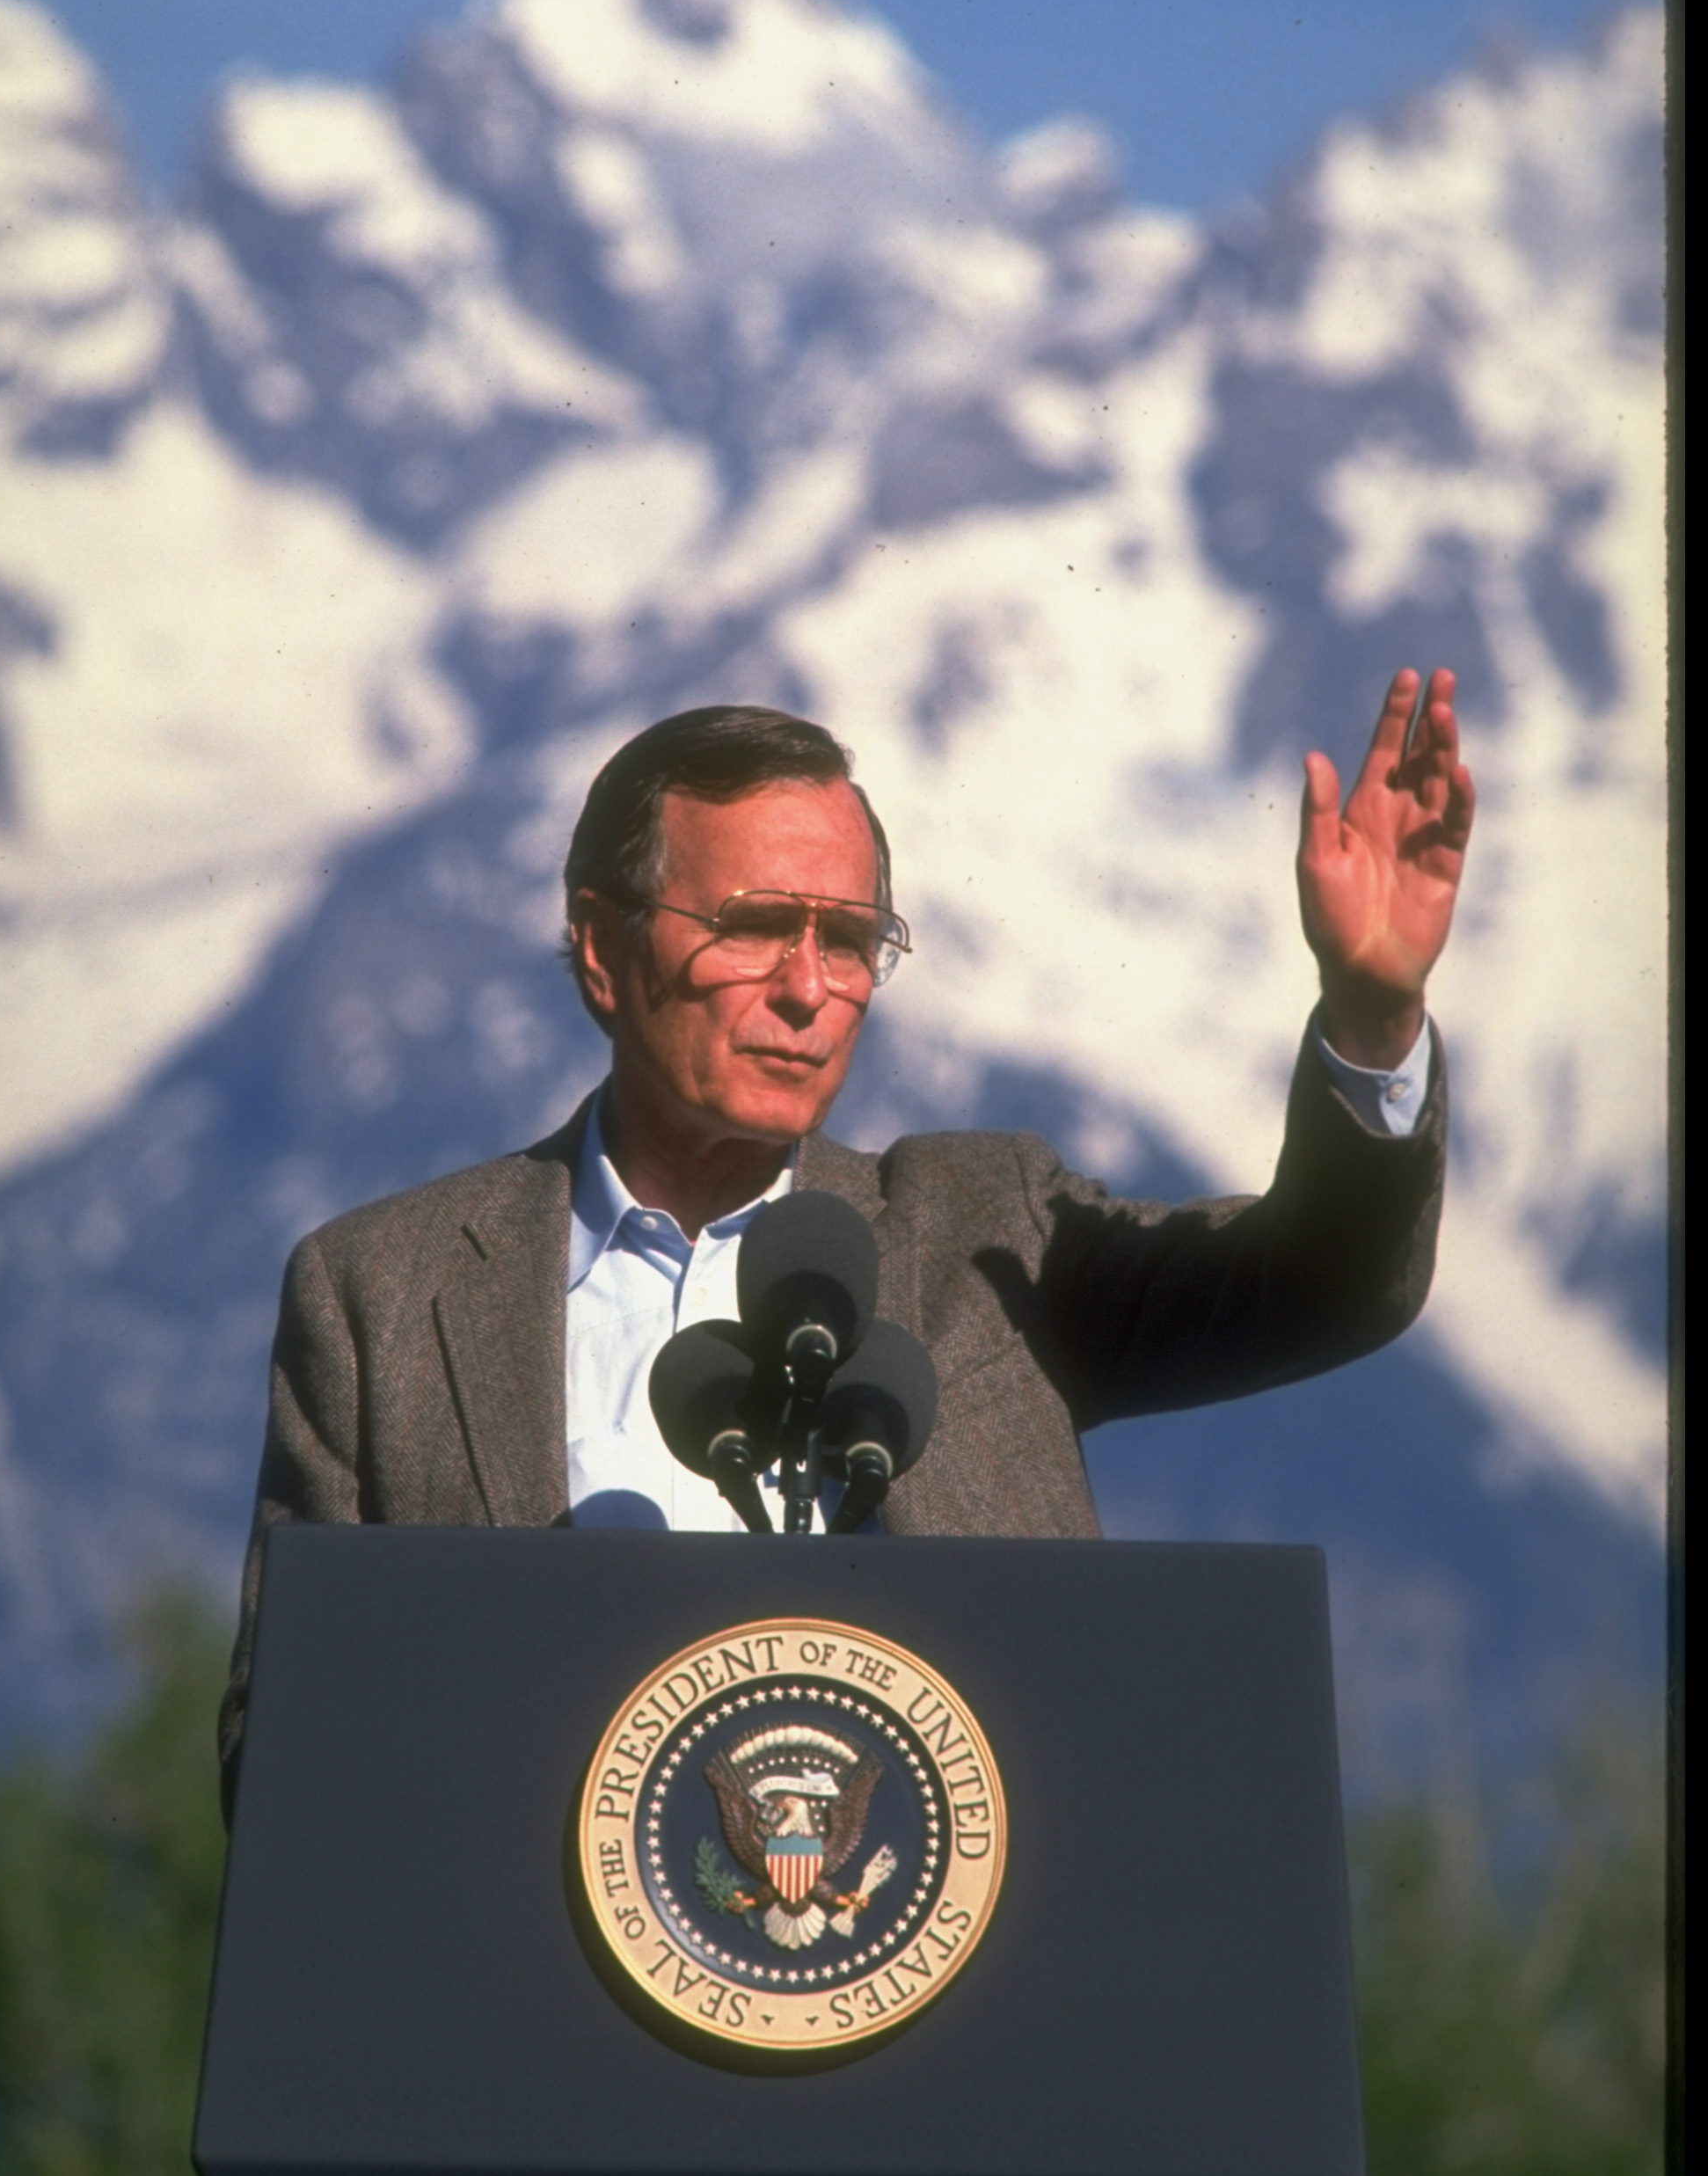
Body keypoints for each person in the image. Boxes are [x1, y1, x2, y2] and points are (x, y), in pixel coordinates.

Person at [219, 670, 1472, 1801]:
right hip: (537, 2021)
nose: (812, 991)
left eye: (854, 941)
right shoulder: (385, 1293)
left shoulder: (988, 1237)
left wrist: (1373, 1015)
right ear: (603, 949)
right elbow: (283, 1754)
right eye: (759, 927)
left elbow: (1329, 1277)